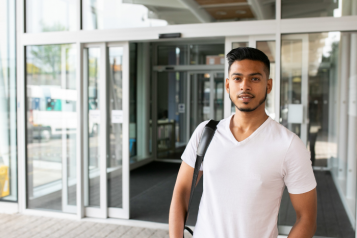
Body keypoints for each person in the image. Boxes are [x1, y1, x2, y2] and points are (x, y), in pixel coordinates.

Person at [169, 47, 317, 238]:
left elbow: (307, 218)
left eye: (255, 78)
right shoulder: (206, 133)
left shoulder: (289, 145)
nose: (245, 86)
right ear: (228, 85)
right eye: (237, 78)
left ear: (268, 85)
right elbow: (181, 192)